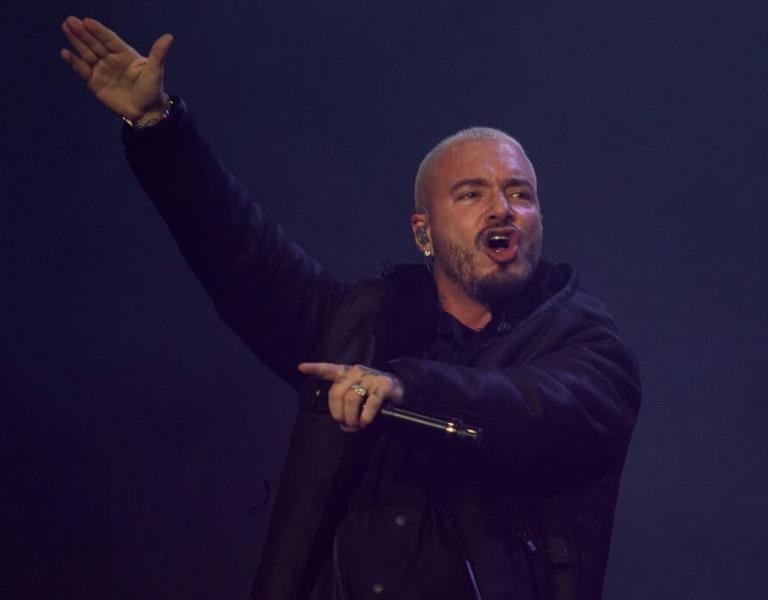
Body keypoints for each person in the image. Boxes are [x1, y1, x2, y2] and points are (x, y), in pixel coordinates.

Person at [60, 16, 641, 600]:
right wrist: (159, 130)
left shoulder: (586, 345)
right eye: (471, 193)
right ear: (424, 233)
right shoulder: (363, 325)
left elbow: (535, 409)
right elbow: (244, 256)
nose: (502, 209)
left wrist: (406, 388)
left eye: (520, 194)